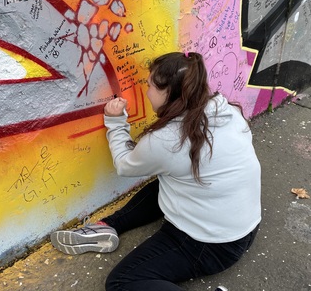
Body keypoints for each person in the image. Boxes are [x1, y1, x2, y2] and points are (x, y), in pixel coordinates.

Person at [50, 52, 261, 291]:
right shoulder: (227, 110)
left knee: (123, 282)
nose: (146, 91)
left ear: (167, 92)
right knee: (166, 181)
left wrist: (115, 122)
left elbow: (125, 164)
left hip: (212, 246)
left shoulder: (168, 139)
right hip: (246, 229)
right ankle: (107, 227)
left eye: (149, 85)